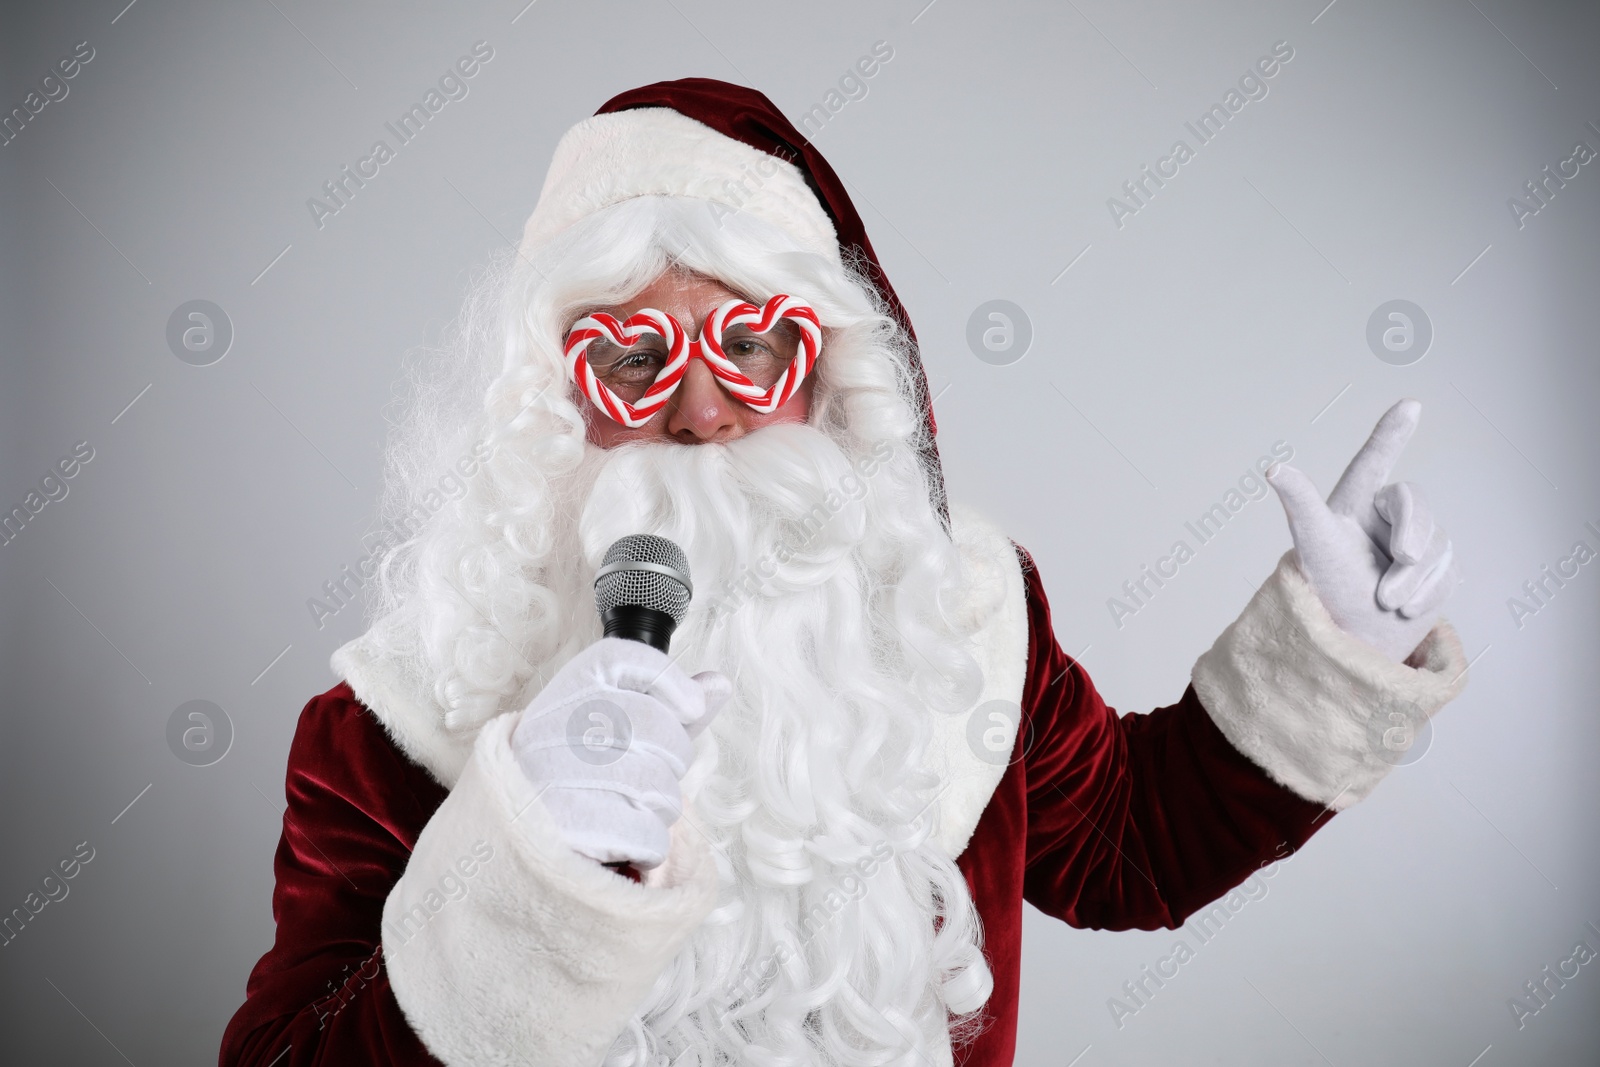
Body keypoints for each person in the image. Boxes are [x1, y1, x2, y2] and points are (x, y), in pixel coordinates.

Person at [219, 79, 1468, 1067]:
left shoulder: (961, 622)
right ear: (556, 400)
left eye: (752, 345)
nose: (701, 412)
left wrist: (1329, 657)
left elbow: (1129, 847)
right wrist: (517, 863)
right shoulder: (398, 718)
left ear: (831, 375)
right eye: (634, 358)